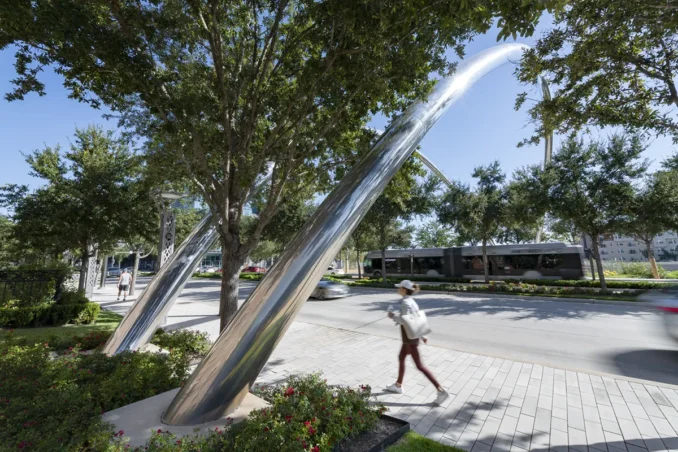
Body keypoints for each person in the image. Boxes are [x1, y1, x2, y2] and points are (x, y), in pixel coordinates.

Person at [386, 280, 449, 406]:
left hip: (409, 338)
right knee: (401, 357)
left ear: (404, 289)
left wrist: (392, 316)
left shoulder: (405, 302)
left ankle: (440, 390)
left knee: (420, 366)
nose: (398, 289)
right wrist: (422, 335)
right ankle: (398, 385)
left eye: (399, 287)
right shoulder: (411, 301)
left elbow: (405, 320)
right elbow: (416, 319)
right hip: (410, 337)